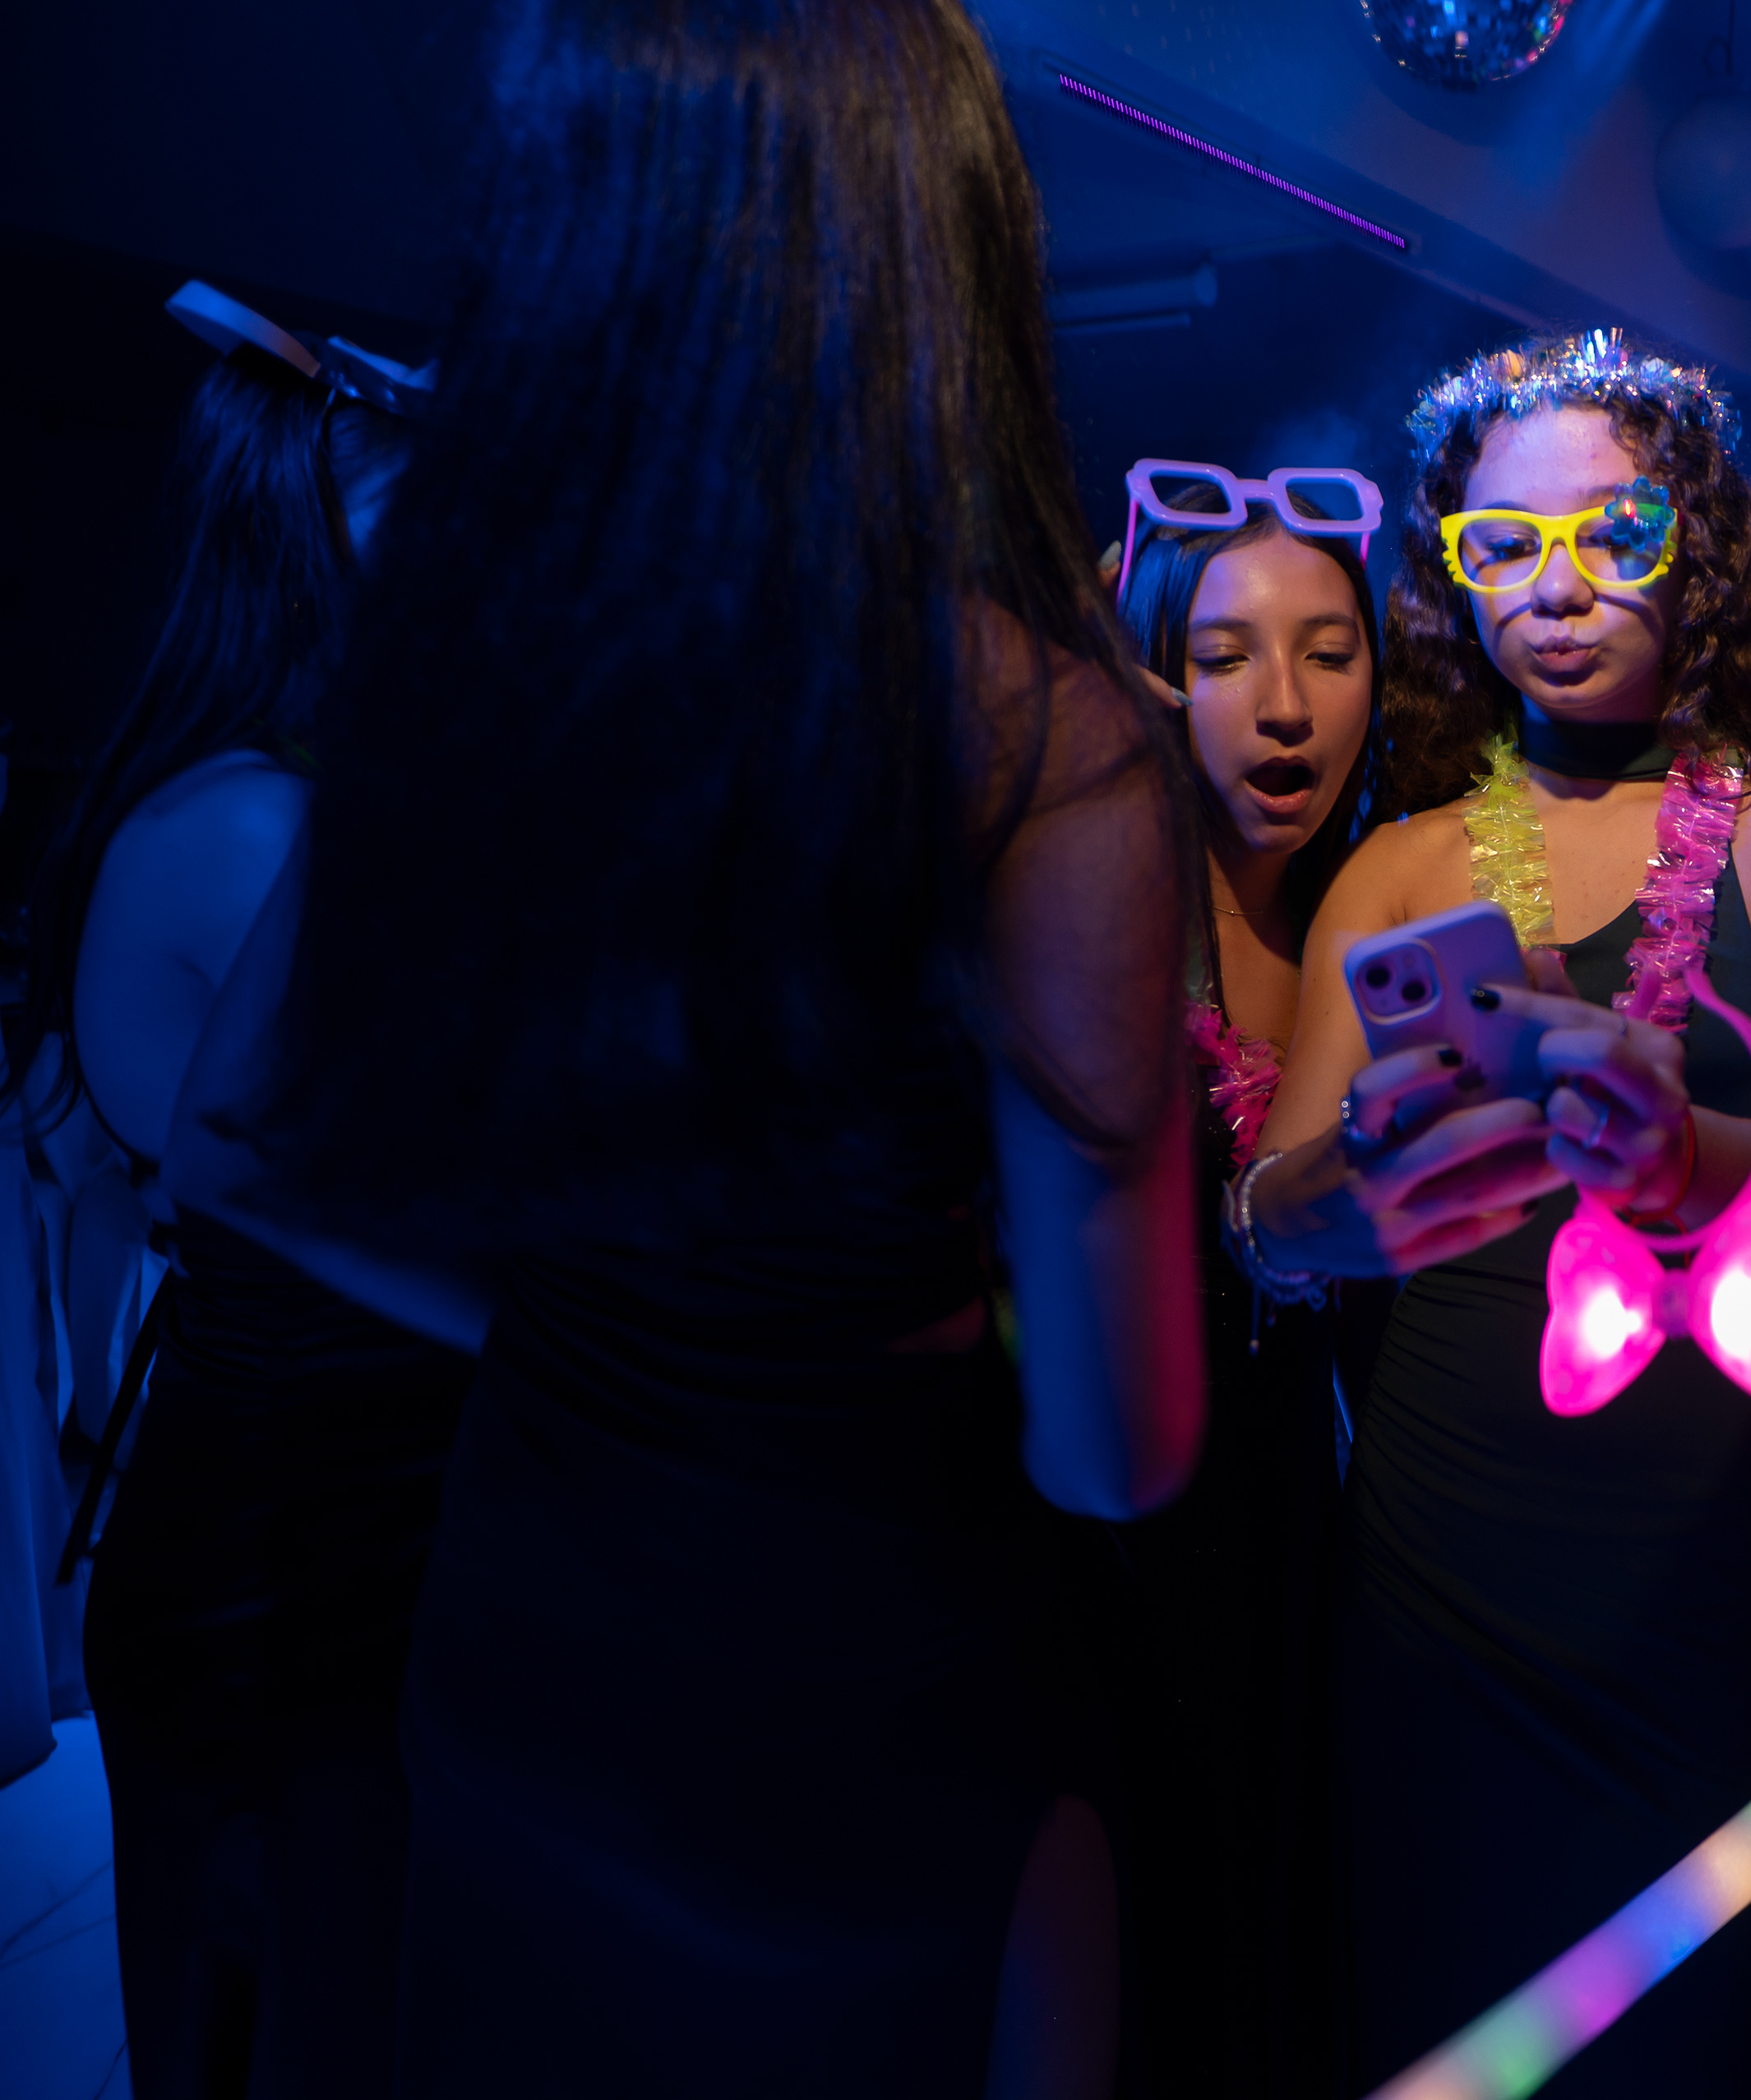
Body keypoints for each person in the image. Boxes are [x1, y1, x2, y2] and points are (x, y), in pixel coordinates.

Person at [158, 3, 1201, 2093]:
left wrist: (588, 1339)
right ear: (937, 237)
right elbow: (1117, 1453)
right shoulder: (1039, 736)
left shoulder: (474, 654)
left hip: (529, 1621)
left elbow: (236, 1139)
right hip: (859, 1669)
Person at [1234, 330, 1751, 2093]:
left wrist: (1686, 1153)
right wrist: (1356, 1182)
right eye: (1504, 545)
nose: (1558, 586)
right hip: (1437, 1585)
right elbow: (1271, 1208)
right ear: (1455, 577)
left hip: (1688, 1605)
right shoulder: (1400, 866)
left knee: (1680, 2043)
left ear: (1703, 554)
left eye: (1616, 535)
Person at [0, 284, 448, 2100]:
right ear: (318, 522)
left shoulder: (248, 798)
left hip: (296, 1523)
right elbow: (390, 1202)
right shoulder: (261, 826)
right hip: (290, 1558)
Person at [1097, 468, 1384, 2098]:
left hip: (1306, 1539)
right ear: (1152, 674)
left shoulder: (1388, 921)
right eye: (1224, 657)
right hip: (1107, 1538)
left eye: (1329, 653)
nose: (1284, 706)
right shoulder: (1099, 924)